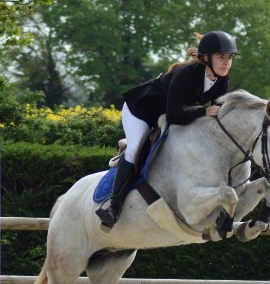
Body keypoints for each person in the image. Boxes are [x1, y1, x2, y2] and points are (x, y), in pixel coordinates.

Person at [96, 30, 238, 227]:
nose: (227, 63)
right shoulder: (185, 74)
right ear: (205, 57)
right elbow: (174, 115)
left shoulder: (222, 78)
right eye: (221, 57)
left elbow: (217, 112)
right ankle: (113, 206)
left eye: (230, 58)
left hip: (166, 114)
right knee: (135, 149)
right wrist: (204, 113)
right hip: (141, 111)